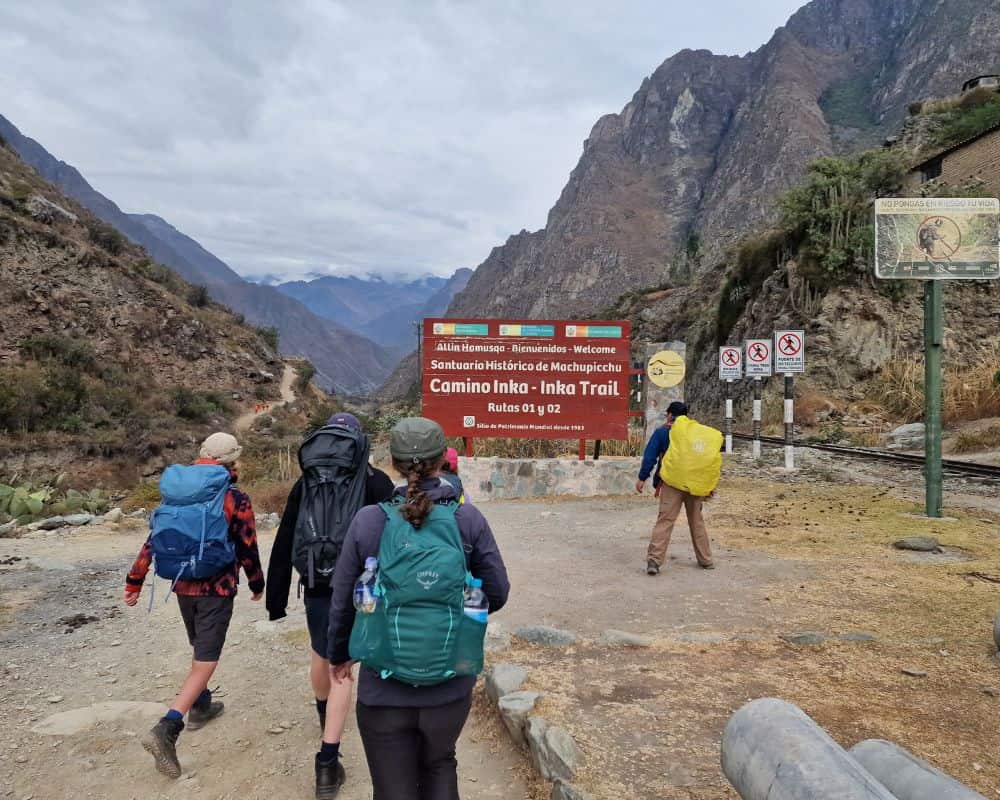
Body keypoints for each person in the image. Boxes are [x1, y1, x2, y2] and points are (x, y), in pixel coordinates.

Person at [327, 417, 510, 800]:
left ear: (391, 461)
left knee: (392, 789)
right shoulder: (467, 519)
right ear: (442, 460)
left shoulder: (369, 520)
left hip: (383, 688)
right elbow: (498, 591)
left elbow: (343, 600)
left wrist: (339, 655)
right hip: (449, 684)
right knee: (440, 763)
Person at [266, 412, 393, 799]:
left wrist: (275, 599)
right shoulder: (377, 481)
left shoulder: (305, 483)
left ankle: (325, 718)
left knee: (324, 653)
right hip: (365, 583)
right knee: (348, 665)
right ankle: (327, 758)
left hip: (317, 581)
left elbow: (287, 536)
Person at [123, 432, 264, 778]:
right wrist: (258, 583)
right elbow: (246, 544)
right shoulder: (233, 496)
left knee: (198, 646)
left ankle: (201, 706)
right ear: (232, 461)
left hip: (182, 584)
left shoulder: (177, 493)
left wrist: (135, 580)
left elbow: (153, 538)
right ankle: (168, 728)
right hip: (217, 588)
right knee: (206, 660)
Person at [635, 401, 714, 575]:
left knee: (665, 520)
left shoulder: (663, 432)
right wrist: (708, 486)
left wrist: (642, 478)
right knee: (696, 520)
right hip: (694, 484)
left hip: (671, 483)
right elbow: (708, 460)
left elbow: (650, 456)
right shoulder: (696, 433)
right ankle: (706, 559)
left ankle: (654, 561)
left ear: (670, 415)